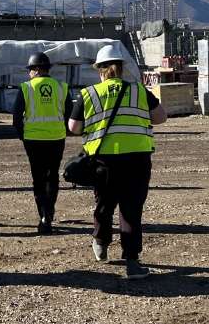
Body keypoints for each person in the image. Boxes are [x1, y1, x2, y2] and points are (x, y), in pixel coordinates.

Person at [66, 44, 167, 280]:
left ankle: (100, 242)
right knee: (131, 210)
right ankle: (132, 262)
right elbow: (161, 117)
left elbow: (73, 127)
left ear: (100, 70)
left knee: (104, 202)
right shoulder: (138, 91)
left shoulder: (89, 94)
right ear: (121, 68)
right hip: (137, 159)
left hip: (103, 160)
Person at [11, 52, 73, 234]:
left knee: (38, 178)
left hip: (33, 140)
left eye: (30, 69)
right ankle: (49, 211)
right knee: (52, 176)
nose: (29, 73)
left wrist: (23, 135)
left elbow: (16, 117)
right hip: (56, 138)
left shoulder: (26, 88)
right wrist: (63, 131)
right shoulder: (62, 87)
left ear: (37, 69)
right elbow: (69, 113)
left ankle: (44, 216)